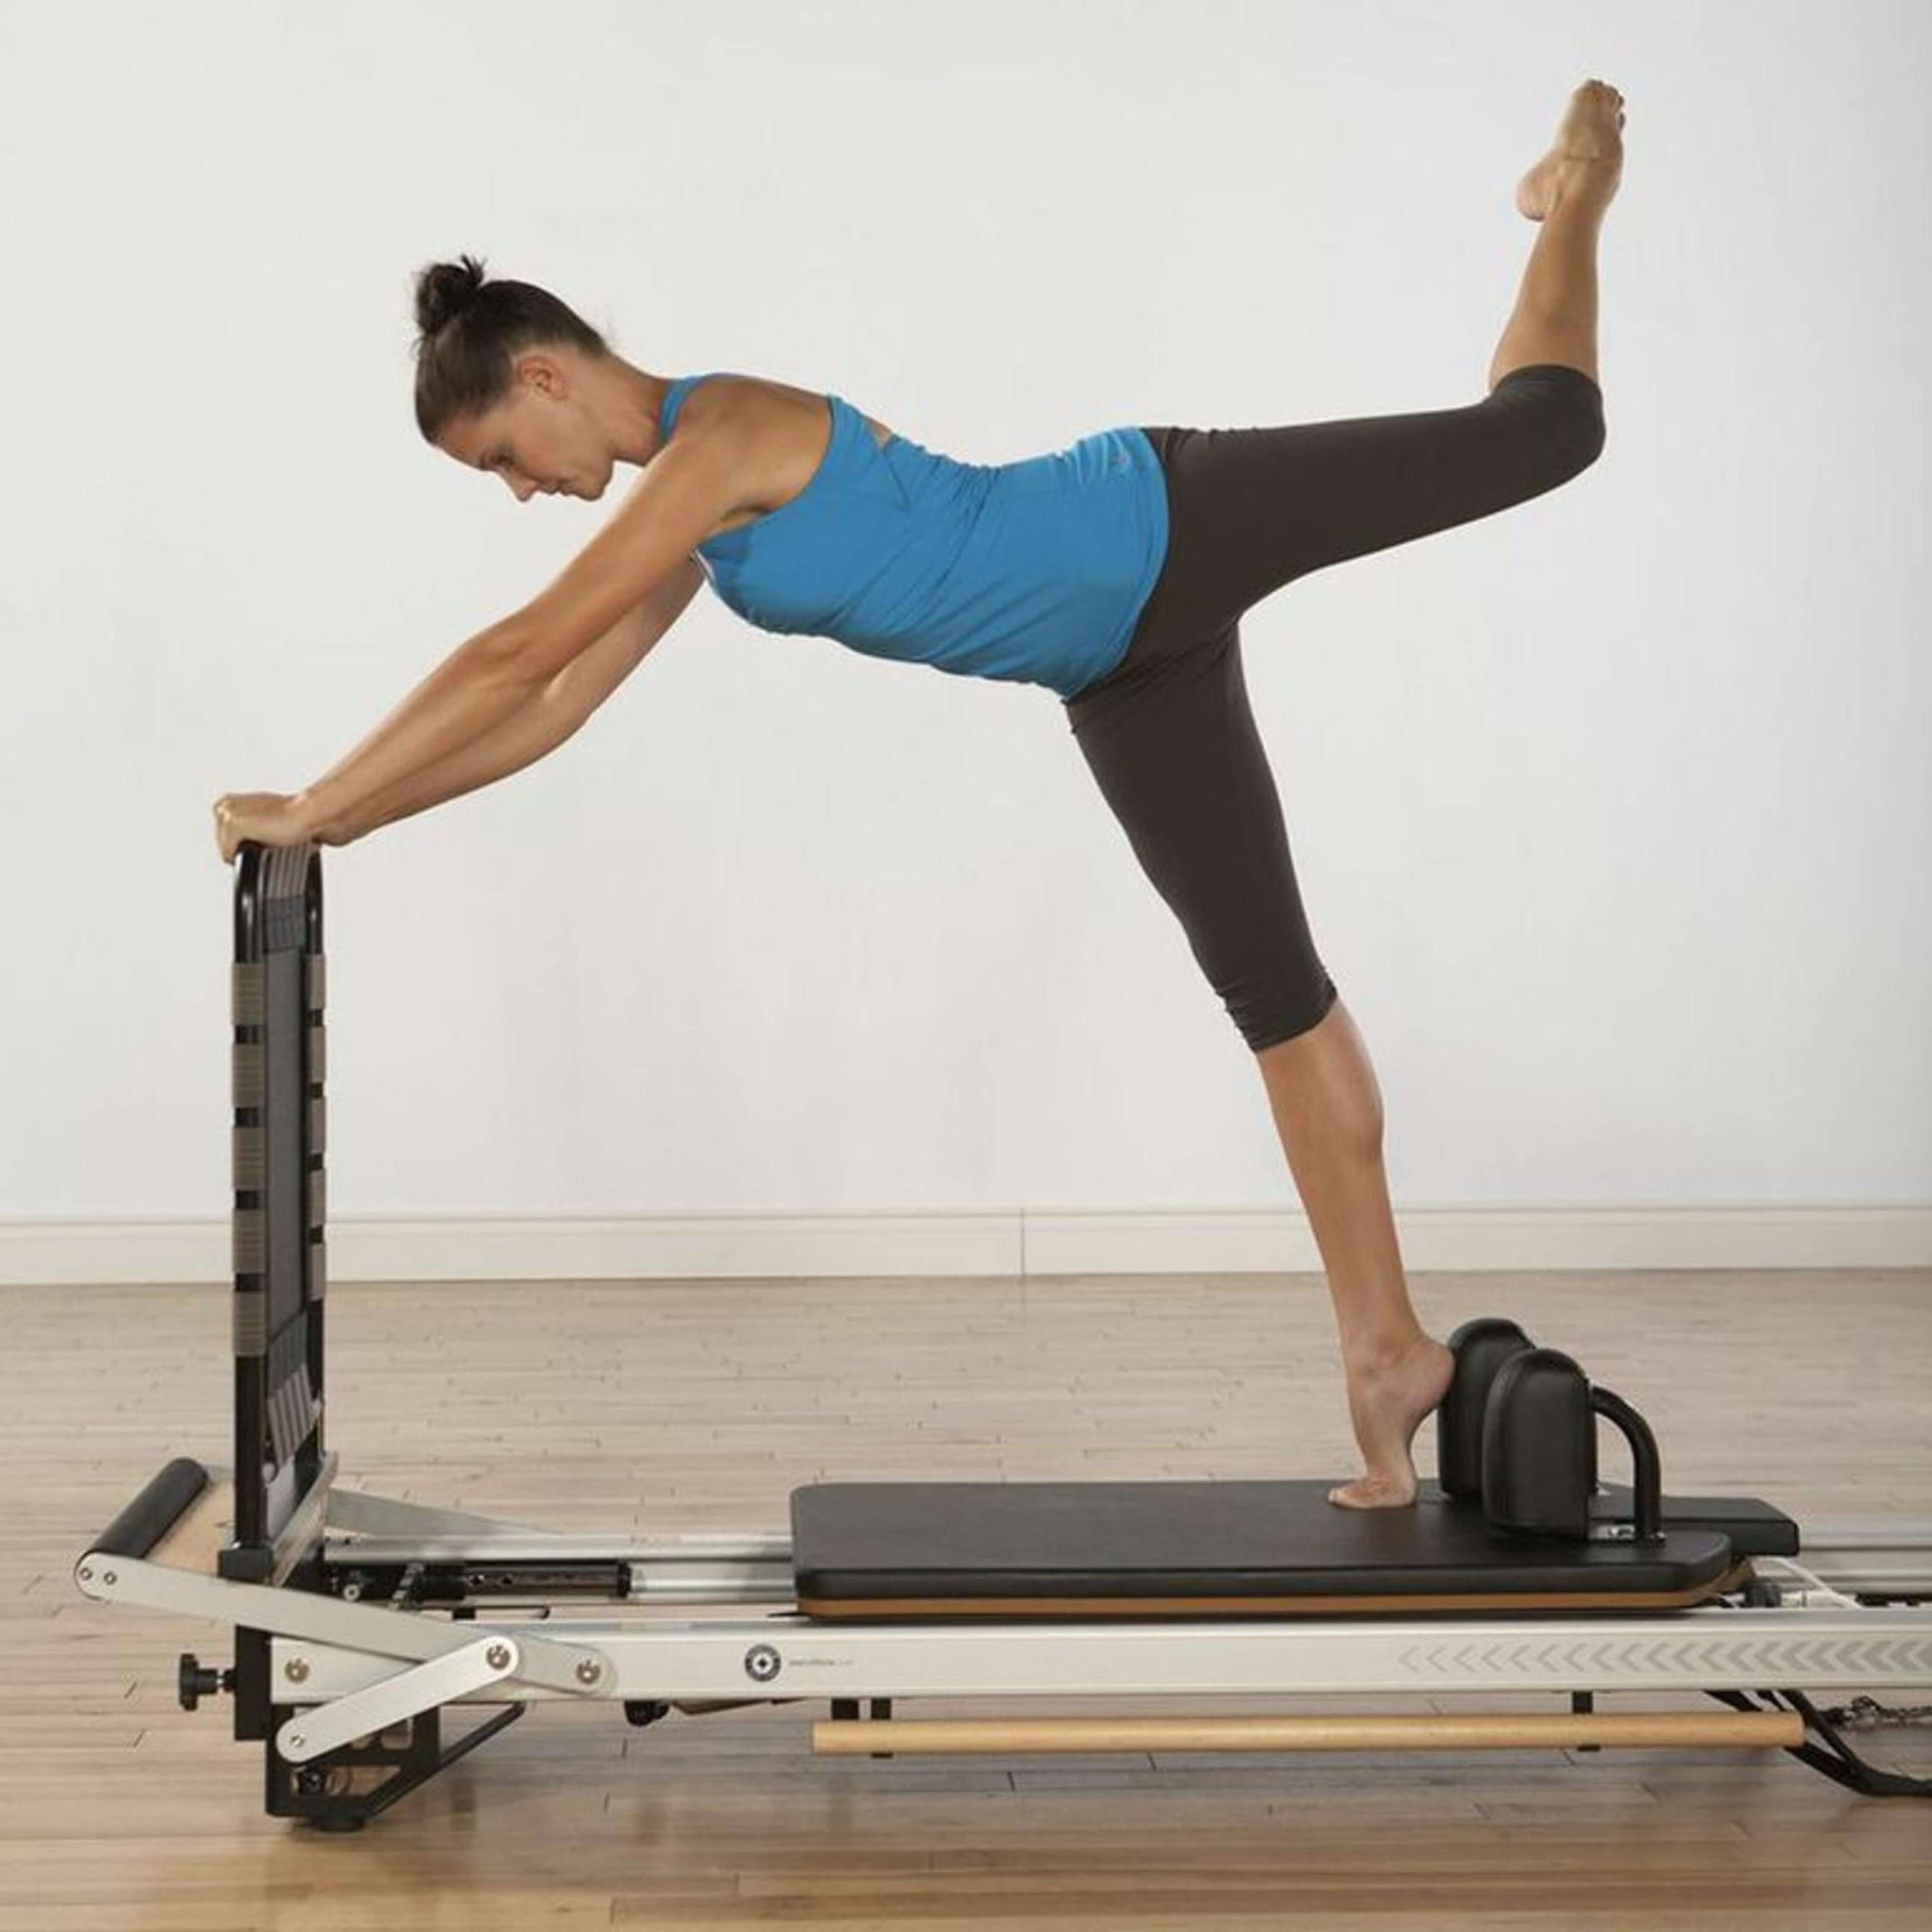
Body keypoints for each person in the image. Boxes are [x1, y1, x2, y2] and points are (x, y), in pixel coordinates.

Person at [215, 79, 1626, 1511]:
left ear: (544, 379)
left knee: (1544, 434)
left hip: (1159, 516)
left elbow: (523, 650)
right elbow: (559, 705)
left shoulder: (727, 437)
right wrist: (347, 822)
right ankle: (1387, 1352)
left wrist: (316, 793)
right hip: (1125, 667)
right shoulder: (697, 523)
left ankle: (1574, 187)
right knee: (1274, 993)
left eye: (505, 462)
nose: (520, 492)